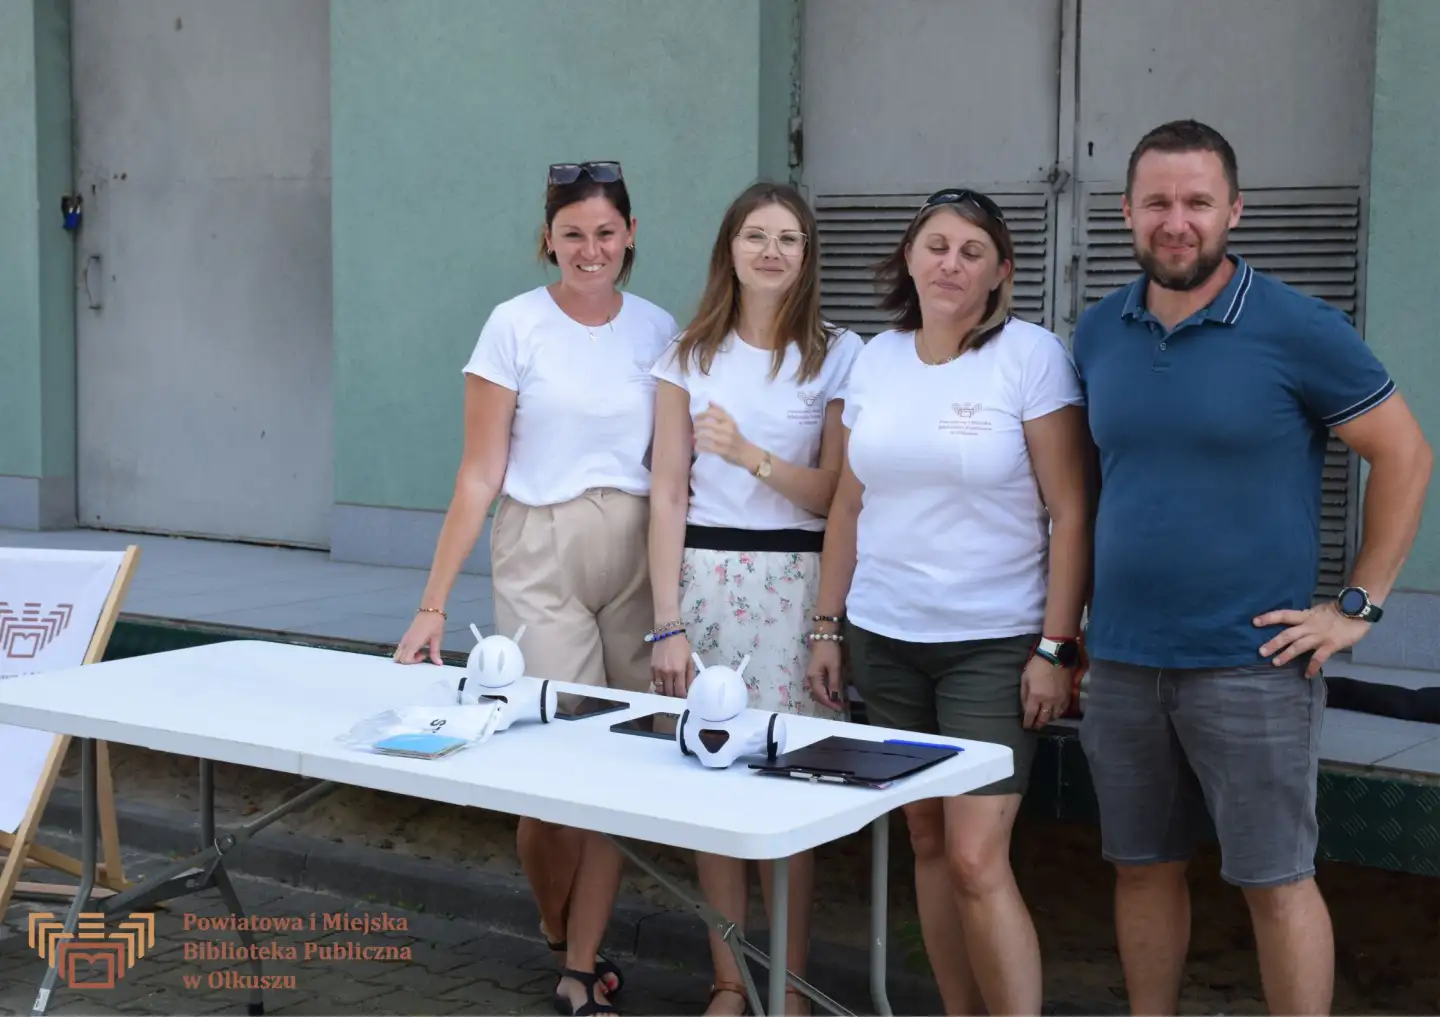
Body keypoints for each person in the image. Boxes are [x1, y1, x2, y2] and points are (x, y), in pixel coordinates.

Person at [1072, 119, 1433, 1017]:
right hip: (1120, 660)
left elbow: (1405, 454)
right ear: (1127, 212)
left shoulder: (1298, 327)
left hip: (1252, 665)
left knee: (1276, 881)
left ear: (1235, 210)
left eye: (1198, 201)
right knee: (1140, 870)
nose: (1177, 220)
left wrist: (1359, 606)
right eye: (1157, 201)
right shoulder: (1096, 332)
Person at [394, 159, 679, 1017]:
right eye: (571, 235)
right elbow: (480, 473)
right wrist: (433, 602)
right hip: (541, 545)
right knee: (555, 767)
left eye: (605, 232)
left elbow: (673, 470)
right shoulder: (512, 326)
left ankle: (579, 964)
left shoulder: (661, 330)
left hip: (636, 547)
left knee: (623, 756)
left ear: (630, 234)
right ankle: (561, 929)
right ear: (546, 241)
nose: (590, 250)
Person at [805, 188, 1092, 1015]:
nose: (951, 263)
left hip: (994, 645)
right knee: (926, 840)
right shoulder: (877, 360)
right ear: (908, 258)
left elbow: (1072, 508)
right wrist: (829, 626)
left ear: (1002, 269)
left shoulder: (1029, 356)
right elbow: (850, 505)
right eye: (936, 245)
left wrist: (1055, 645)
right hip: (886, 636)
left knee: (975, 856)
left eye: (972, 250)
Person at [648, 181, 863, 1016]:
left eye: (789, 239)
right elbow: (667, 491)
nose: (771, 251)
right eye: (756, 235)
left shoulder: (836, 353)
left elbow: (836, 495)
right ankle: (730, 981)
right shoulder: (687, 352)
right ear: (728, 248)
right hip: (704, 585)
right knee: (714, 784)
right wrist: (665, 621)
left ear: (808, 256)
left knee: (792, 788)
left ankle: (792, 990)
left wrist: (749, 454)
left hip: (796, 587)